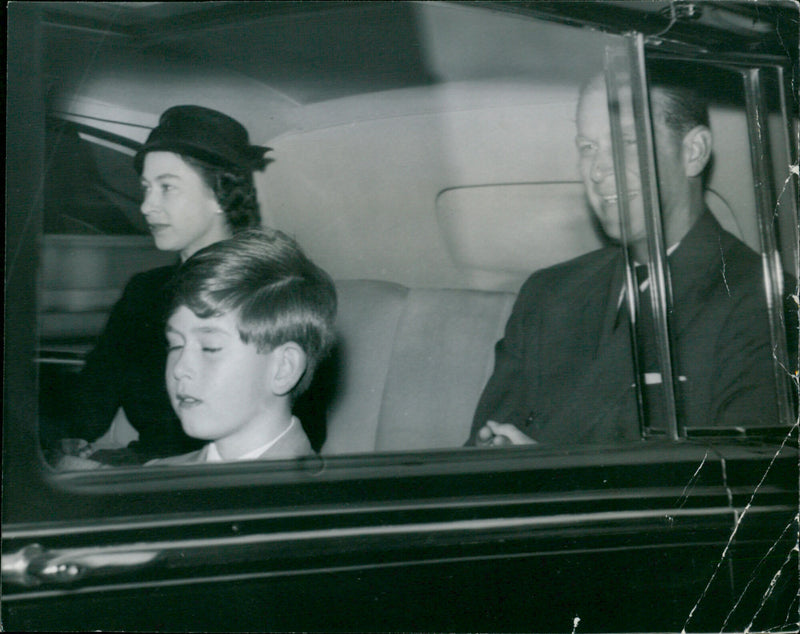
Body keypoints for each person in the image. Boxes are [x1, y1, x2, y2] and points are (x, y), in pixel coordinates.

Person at [468, 69, 797, 447]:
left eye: (626, 142)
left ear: (693, 152)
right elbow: (478, 453)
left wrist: (545, 475)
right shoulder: (547, 295)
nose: (599, 169)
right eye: (587, 147)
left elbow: (742, 489)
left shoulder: (765, 304)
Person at [57, 105, 270, 463]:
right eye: (145, 188)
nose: (146, 206)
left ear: (219, 195)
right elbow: (95, 393)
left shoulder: (266, 291)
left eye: (167, 188)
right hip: (141, 468)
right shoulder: (144, 290)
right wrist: (68, 439)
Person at [146, 229, 337, 465]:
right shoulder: (156, 475)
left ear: (284, 368)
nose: (180, 369)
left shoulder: (316, 498)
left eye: (210, 348)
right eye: (175, 345)